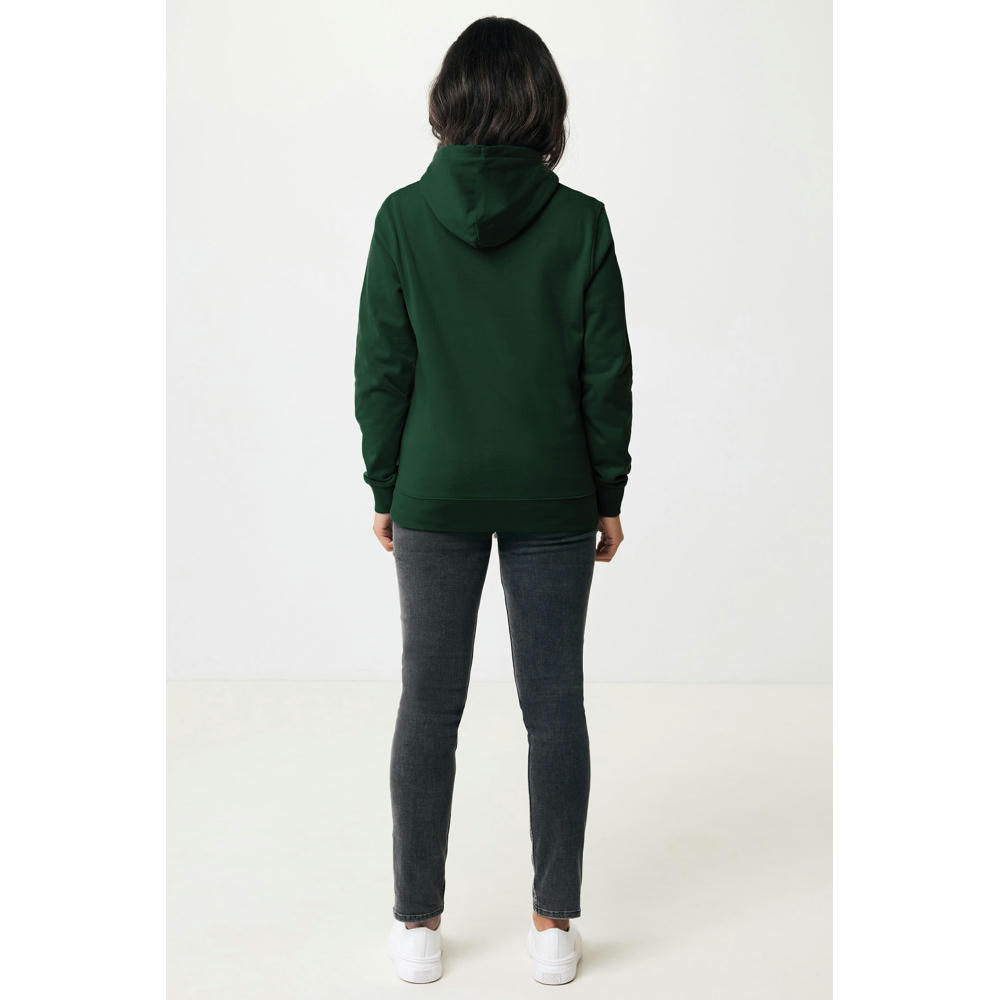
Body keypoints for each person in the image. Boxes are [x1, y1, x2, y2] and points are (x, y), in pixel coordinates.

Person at [354, 16, 633, 986]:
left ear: (450, 100)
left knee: (427, 706)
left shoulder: (402, 217)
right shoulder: (581, 221)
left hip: (434, 489)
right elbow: (605, 374)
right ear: (542, 106)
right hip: (554, 491)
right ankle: (553, 926)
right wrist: (607, 490)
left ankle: (416, 925)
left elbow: (382, 368)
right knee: (554, 709)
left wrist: (386, 484)